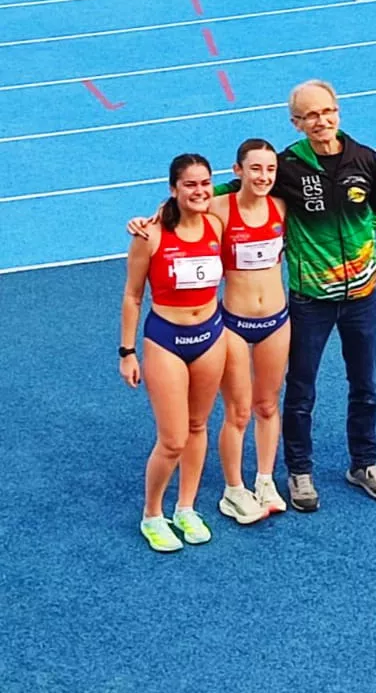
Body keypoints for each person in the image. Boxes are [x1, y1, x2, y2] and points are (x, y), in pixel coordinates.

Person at [128, 80, 376, 513]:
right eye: (310, 115)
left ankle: (361, 463)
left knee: (361, 386)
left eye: (326, 111)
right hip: (301, 301)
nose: (321, 121)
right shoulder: (286, 166)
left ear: (338, 111)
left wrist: (359, 244)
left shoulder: (365, 159)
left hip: (358, 295)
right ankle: (291, 475)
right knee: (290, 393)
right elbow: (208, 195)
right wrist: (162, 210)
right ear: (296, 122)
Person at [120, 153, 227, 552]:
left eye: (205, 184)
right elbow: (132, 297)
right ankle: (152, 513)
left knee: (198, 427)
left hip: (210, 337)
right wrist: (127, 351)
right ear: (173, 189)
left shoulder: (217, 223)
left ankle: (186, 507)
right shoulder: (149, 235)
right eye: (190, 185)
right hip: (166, 340)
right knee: (173, 438)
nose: (200, 191)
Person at [210, 139, 289, 524]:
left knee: (268, 405)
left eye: (270, 170)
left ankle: (264, 480)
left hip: (276, 321)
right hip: (234, 325)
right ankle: (233, 489)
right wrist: (151, 219)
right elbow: (179, 216)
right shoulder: (219, 209)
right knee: (238, 411)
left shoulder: (282, 206)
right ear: (238, 170)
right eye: (255, 168)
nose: (264, 176)